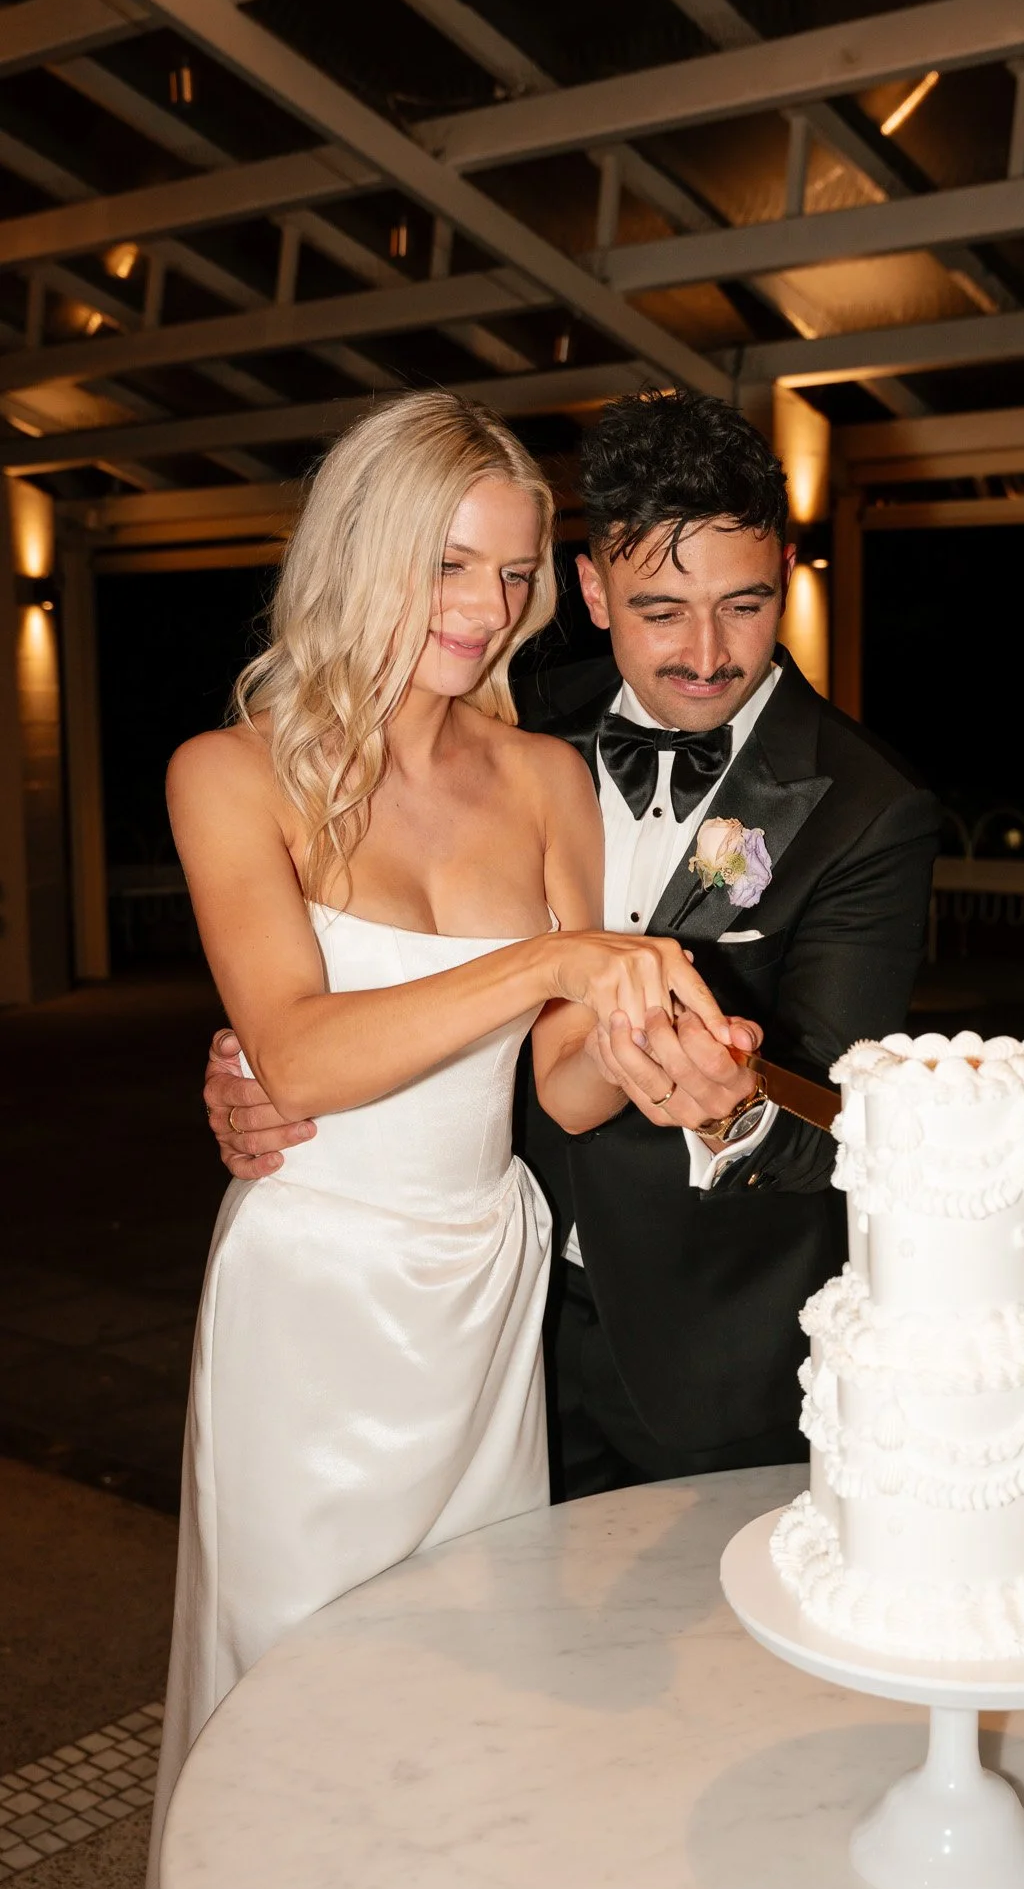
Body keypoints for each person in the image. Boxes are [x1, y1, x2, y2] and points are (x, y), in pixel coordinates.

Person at [140, 391, 737, 1889]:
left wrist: (666, 1046)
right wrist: (558, 952)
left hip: (482, 1286)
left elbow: (555, 1078)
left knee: (468, 1679)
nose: (484, 610)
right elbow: (307, 1053)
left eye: (515, 573)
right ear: (361, 550)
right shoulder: (228, 774)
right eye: (447, 565)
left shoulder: (545, 778)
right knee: (290, 1675)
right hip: (314, 1289)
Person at [204, 388, 939, 1501]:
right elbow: (345, 975)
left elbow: (844, 1118)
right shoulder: (515, 721)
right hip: (502, 1308)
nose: (706, 653)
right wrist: (249, 1065)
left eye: (744, 605)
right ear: (592, 589)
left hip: (707, 1349)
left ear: (785, 572)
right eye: (660, 609)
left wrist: (728, 1098)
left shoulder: (870, 808)